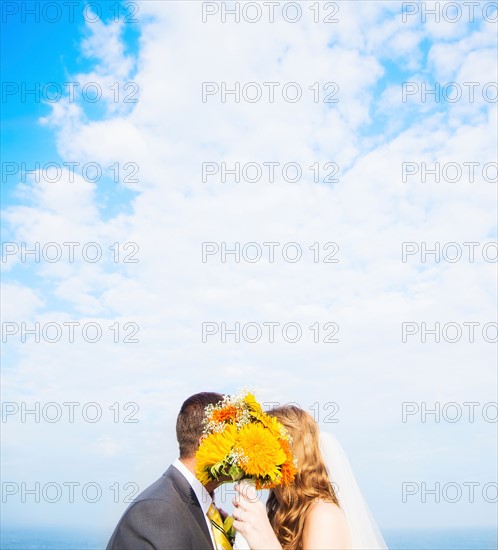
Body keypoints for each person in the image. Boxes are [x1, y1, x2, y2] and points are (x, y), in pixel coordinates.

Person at [232, 405, 387, 550]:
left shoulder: (323, 514)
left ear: (289, 452)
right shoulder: (283, 511)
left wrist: (266, 542)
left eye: (263, 445)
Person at [106, 392, 228, 550]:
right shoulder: (157, 511)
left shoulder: (202, 509)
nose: (244, 448)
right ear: (207, 444)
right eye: (235, 437)